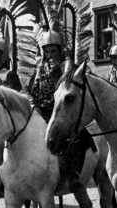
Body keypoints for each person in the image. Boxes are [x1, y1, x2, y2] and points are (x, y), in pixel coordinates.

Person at [26, 29, 95, 193]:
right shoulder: (39, 67)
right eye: (47, 51)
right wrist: (30, 101)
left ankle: (73, 175)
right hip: (40, 110)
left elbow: (68, 89)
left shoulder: (68, 67)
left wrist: (56, 72)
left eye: (53, 51)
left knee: (76, 136)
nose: (50, 55)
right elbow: (28, 88)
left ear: (60, 50)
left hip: (62, 110)